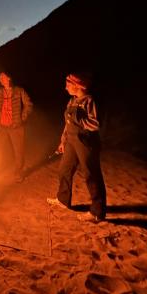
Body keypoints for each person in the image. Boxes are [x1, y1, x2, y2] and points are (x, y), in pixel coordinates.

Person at [47, 72, 107, 223]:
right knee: (64, 169)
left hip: (86, 142)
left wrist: (80, 119)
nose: (65, 87)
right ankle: (63, 200)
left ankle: (97, 212)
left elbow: (95, 124)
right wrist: (63, 141)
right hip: (71, 142)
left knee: (91, 175)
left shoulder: (89, 101)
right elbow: (67, 124)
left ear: (77, 86)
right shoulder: (72, 101)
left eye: (68, 84)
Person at [0, 71, 33, 179]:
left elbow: (28, 105)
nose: (1, 80)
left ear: (9, 78)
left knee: (18, 150)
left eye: (3, 77)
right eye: (0, 78)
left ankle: (19, 173)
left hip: (16, 126)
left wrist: (22, 118)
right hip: (2, 126)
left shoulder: (19, 91)